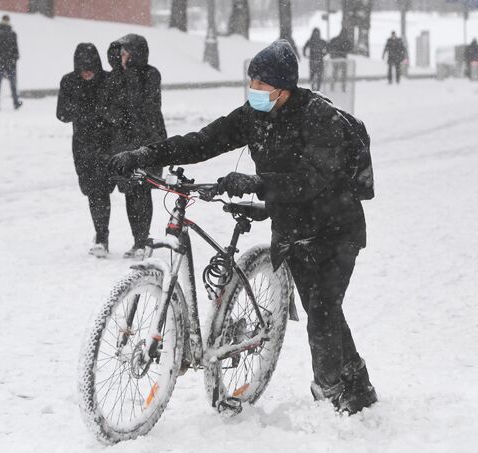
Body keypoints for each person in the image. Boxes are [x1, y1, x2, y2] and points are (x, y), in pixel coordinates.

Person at [109, 40, 377, 415]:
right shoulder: (253, 115)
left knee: (322, 309)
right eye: (251, 83)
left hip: (335, 228)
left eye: (263, 86)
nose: (255, 91)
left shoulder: (318, 118)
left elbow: (311, 179)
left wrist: (256, 183)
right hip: (293, 228)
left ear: (284, 89)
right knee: (324, 311)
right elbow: (203, 141)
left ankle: (332, 394)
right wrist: (147, 155)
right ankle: (358, 385)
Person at [97, 34, 166, 260]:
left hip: (147, 140)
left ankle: (142, 240)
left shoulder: (150, 74)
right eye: (121, 53)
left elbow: (146, 106)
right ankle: (137, 239)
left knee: (142, 190)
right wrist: (117, 118)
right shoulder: (115, 77)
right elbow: (105, 107)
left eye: (127, 53)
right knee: (129, 191)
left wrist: (131, 75)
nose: (122, 57)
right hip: (122, 142)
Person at [57, 43, 114, 257]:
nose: (87, 72)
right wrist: (87, 108)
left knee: (105, 189)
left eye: (90, 67)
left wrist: (93, 111)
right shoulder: (69, 82)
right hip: (82, 145)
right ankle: (101, 235)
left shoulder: (108, 80)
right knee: (93, 191)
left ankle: (110, 237)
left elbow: (115, 112)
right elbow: (62, 114)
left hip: (107, 143)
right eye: (83, 68)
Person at [0, 15, 22, 111]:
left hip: (2, 62)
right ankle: (14, 102)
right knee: (11, 84)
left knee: (0, 84)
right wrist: (14, 57)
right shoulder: (11, 33)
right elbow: (15, 49)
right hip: (9, 62)